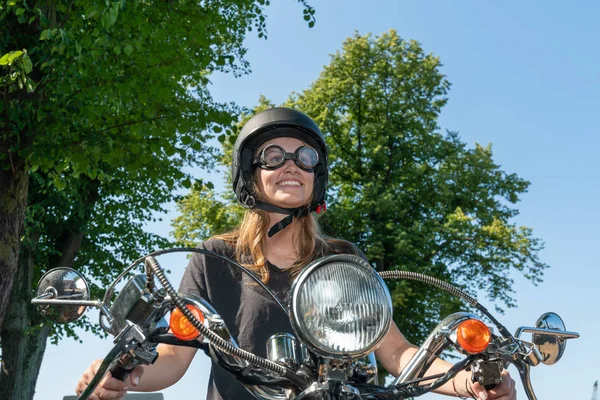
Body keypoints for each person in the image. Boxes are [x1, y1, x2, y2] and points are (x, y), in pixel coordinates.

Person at [76, 108, 516, 400]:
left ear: (316, 178)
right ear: (251, 175)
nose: (290, 164)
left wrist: (469, 380)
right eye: (273, 155)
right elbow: (173, 359)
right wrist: (121, 377)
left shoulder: (342, 258)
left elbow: (398, 352)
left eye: (304, 157)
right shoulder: (214, 256)